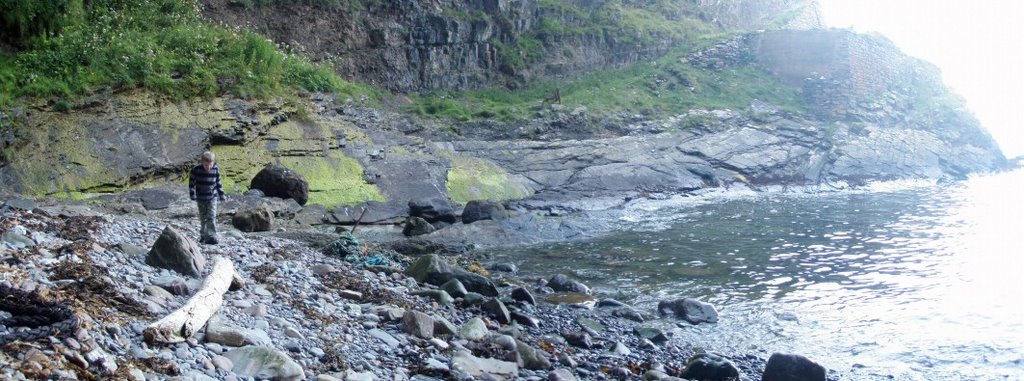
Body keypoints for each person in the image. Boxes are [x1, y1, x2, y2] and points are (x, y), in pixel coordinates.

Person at [189, 151, 226, 244]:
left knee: (212, 217)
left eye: (210, 165)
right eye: (206, 165)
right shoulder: (196, 170)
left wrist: (221, 195)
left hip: (212, 197)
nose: (208, 167)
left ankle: (212, 236)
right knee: (203, 218)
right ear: (202, 163)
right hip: (201, 198)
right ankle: (203, 235)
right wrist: (192, 194)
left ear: (213, 163)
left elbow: (218, 183)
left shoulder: (215, 170)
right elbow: (191, 183)